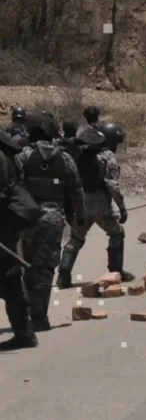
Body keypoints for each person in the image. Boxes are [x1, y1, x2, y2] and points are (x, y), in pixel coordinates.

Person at [14, 115, 85, 332]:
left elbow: (12, 183)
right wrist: (79, 217)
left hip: (26, 218)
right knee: (45, 268)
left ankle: (24, 314)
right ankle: (39, 317)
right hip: (53, 220)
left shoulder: (23, 155)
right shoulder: (65, 159)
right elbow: (76, 190)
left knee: (26, 265)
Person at [58, 124, 134, 289]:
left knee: (76, 239)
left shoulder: (79, 154)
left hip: (80, 202)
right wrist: (122, 207)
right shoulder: (107, 156)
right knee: (117, 233)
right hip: (100, 203)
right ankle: (116, 271)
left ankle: (63, 274)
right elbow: (112, 185)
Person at [0, 131, 41, 350]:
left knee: (9, 279)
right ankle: (24, 333)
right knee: (9, 280)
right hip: (6, 224)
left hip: (3, 225)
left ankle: (24, 333)